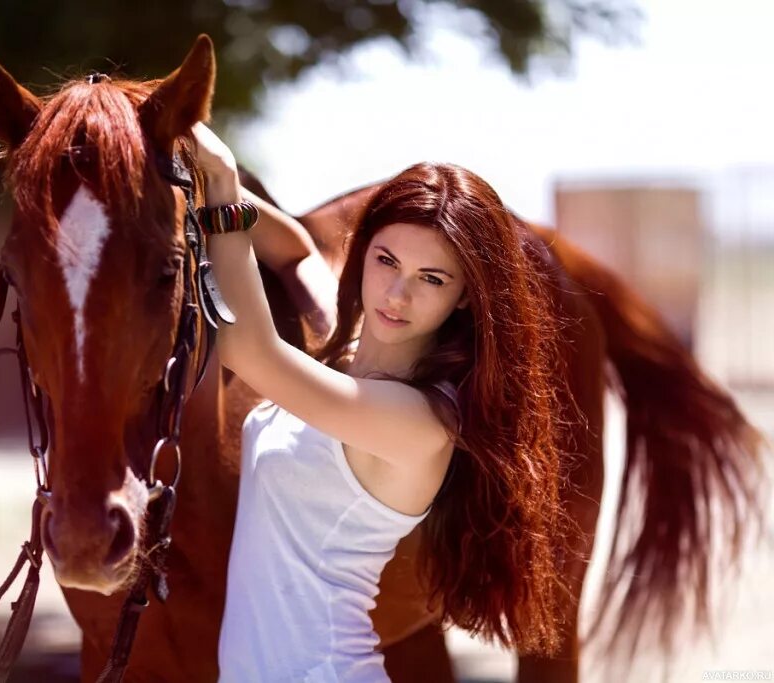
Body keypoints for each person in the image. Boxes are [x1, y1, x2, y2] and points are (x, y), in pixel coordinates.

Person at [192, 123, 575, 682]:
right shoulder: (344, 358)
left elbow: (247, 348)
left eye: (432, 278)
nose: (397, 294)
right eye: (387, 260)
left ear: (466, 295)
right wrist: (179, 181)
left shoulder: (420, 422)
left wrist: (223, 180)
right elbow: (294, 250)